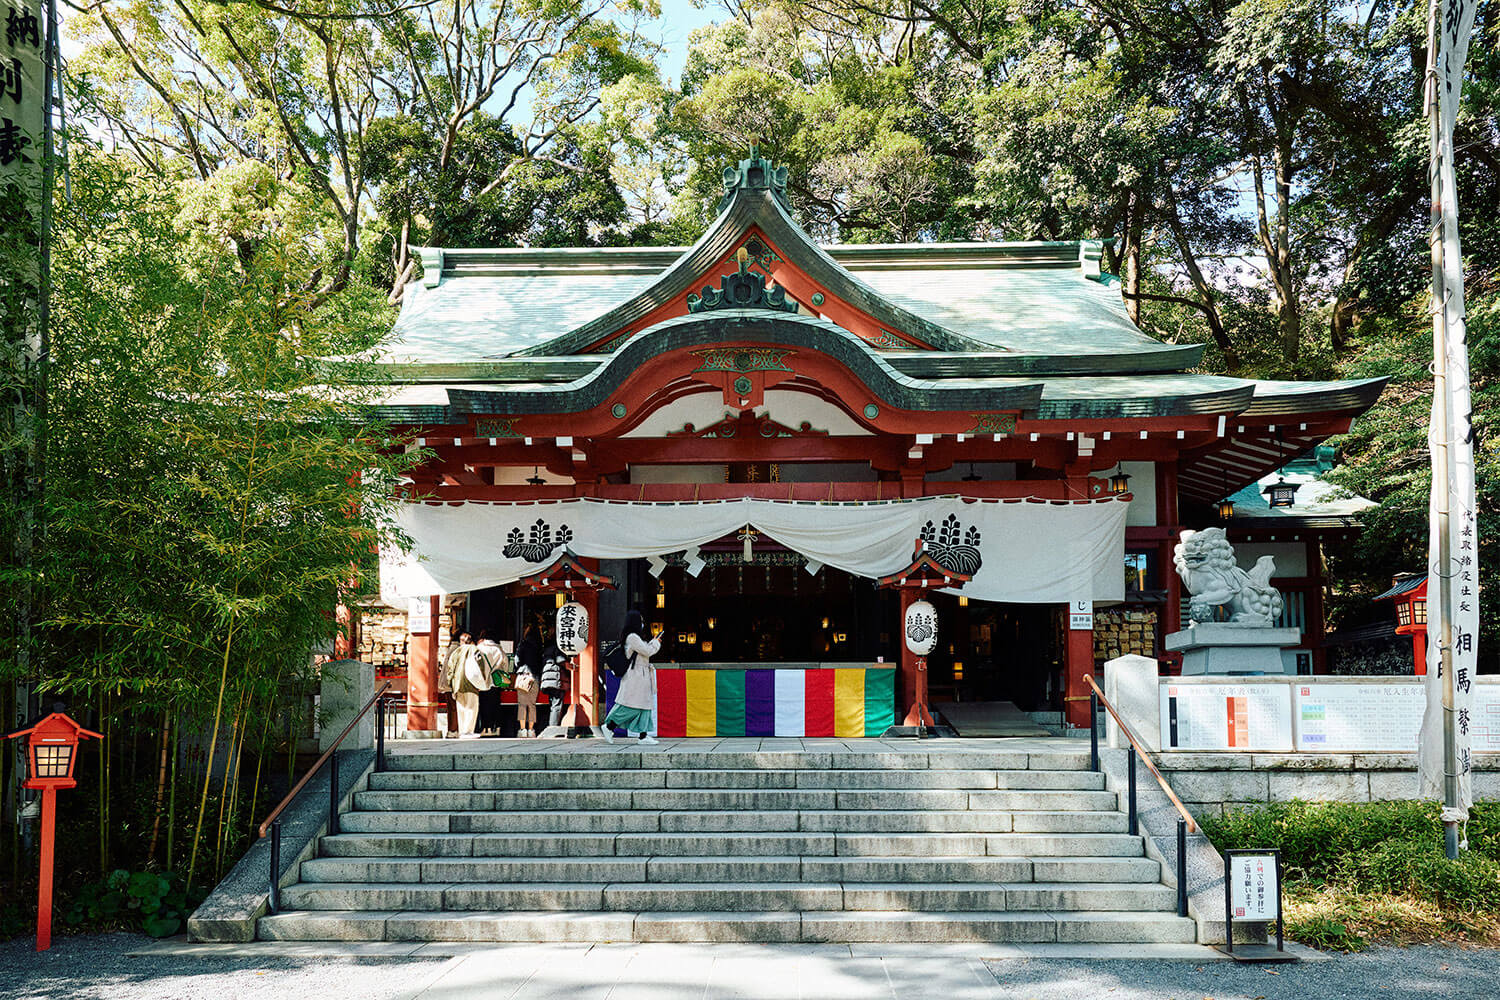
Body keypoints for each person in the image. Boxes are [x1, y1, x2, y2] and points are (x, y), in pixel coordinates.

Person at [603, 609, 661, 745]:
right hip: (636, 676)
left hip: (641, 675)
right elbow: (647, 651)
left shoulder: (634, 637)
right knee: (631, 705)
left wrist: (652, 642)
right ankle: (609, 726)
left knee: (644, 706)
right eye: (640, 620)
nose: (642, 623)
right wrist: (656, 642)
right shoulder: (632, 637)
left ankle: (643, 735)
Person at [453, 632, 496, 738]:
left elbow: (451, 668)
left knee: (461, 707)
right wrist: (482, 680)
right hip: (471, 684)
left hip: (458, 683)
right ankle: (468, 731)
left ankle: (462, 730)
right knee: (471, 707)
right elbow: (480, 666)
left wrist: (452, 683)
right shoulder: (475, 650)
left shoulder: (456, 652)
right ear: (471, 641)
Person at [540, 643, 567, 730]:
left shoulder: (546, 649)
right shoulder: (559, 648)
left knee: (553, 704)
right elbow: (561, 660)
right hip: (556, 679)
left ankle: (551, 725)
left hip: (547, 679)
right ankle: (553, 727)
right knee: (557, 705)